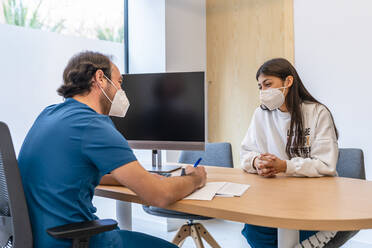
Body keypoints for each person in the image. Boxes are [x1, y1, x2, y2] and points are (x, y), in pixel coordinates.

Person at [18, 51, 207, 248]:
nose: (121, 90)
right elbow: (159, 196)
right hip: (72, 241)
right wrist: (195, 179)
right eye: (119, 82)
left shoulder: (48, 114)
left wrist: (137, 179)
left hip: (38, 238)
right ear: (100, 78)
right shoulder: (93, 124)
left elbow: (71, 175)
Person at [240, 58, 339, 248]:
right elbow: (245, 153)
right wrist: (257, 162)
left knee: (289, 233)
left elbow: (326, 165)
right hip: (274, 198)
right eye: (260, 87)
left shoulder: (317, 112)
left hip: (313, 198)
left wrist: (285, 166)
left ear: (288, 82)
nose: (263, 92)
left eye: (268, 84)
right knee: (255, 230)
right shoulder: (261, 115)